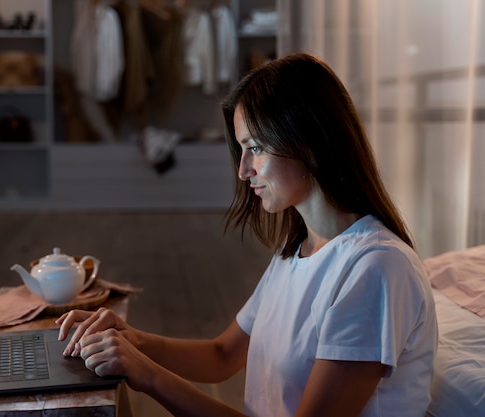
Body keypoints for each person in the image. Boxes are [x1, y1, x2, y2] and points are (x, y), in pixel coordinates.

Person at [56, 52, 438, 417]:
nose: (243, 170)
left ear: (308, 139)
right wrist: (130, 338)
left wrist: (150, 376)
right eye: (242, 150)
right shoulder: (297, 253)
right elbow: (223, 355)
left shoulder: (375, 269)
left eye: (254, 148)